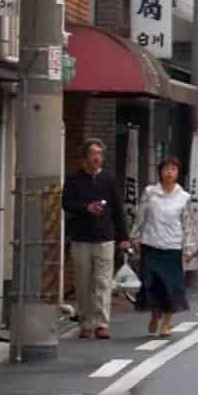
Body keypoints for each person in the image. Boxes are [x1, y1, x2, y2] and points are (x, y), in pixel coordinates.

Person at [61, 138, 131, 339]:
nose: (96, 157)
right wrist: (86, 207)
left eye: (100, 154)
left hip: (105, 237)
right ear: (84, 157)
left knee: (102, 282)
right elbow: (66, 203)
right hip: (81, 237)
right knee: (83, 283)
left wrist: (123, 236)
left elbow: (118, 209)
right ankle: (85, 322)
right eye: (93, 153)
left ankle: (101, 323)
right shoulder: (74, 180)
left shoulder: (108, 180)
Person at [131, 156, 196, 338]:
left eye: (173, 169)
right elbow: (140, 216)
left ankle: (166, 323)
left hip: (172, 247)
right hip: (151, 244)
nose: (169, 172)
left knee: (171, 287)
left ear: (177, 173)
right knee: (151, 285)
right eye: (166, 168)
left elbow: (188, 224)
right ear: (160, 171)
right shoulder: (150, 193)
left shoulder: (183, 197)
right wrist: (135, 236)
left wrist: (189, 248)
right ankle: (154, 314)